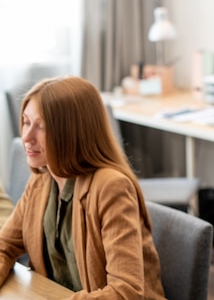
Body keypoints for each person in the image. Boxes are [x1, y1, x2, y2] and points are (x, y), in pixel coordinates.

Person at [0, 76, 166, 299]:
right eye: (26, 122)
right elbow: (5, 245)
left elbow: (126, 292)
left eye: (41, 127)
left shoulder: (111, 187)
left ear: (71, 132)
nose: (27, 137)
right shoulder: (41, 180)